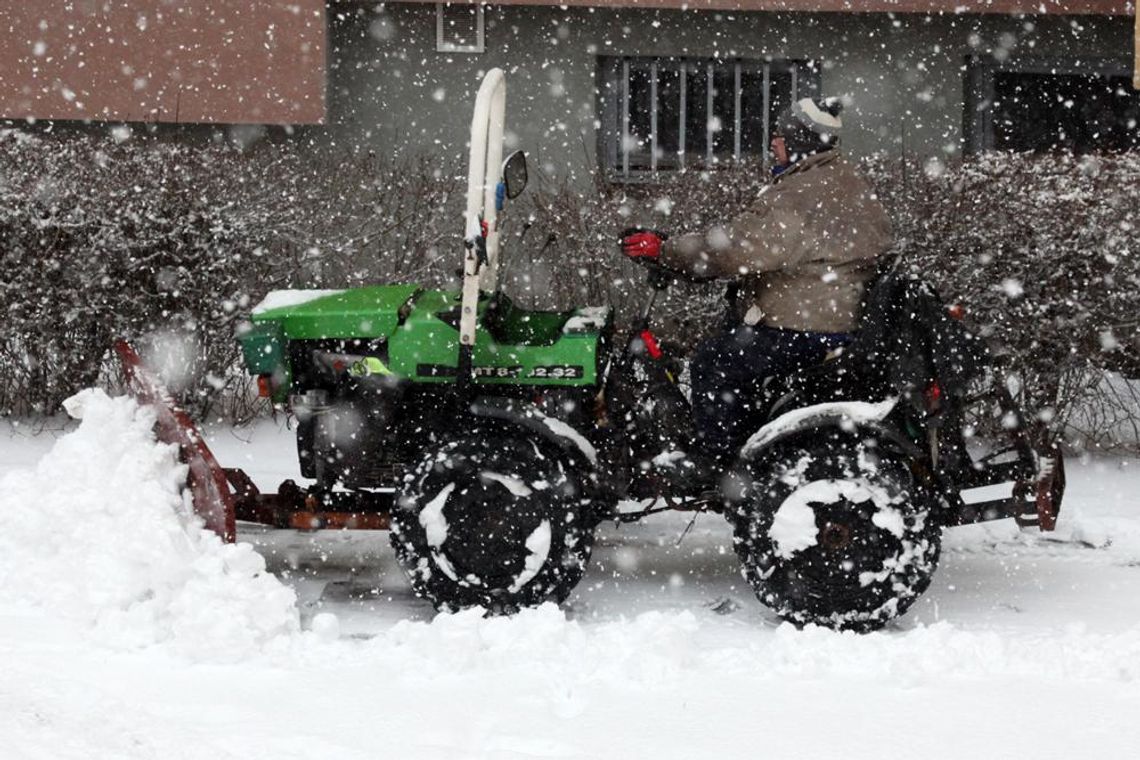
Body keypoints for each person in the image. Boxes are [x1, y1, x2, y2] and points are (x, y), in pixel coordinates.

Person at [620, 97, 892, 463]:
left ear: (799, 141)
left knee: (715, 361)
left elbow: (735, 249)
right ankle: (745, 443)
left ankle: (719, 462)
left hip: (810, 327)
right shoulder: (839, 179)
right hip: (834, 316)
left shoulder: (803, 192)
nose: (772, 144)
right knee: (731, 338)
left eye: (779, 135)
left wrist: (665, 250)